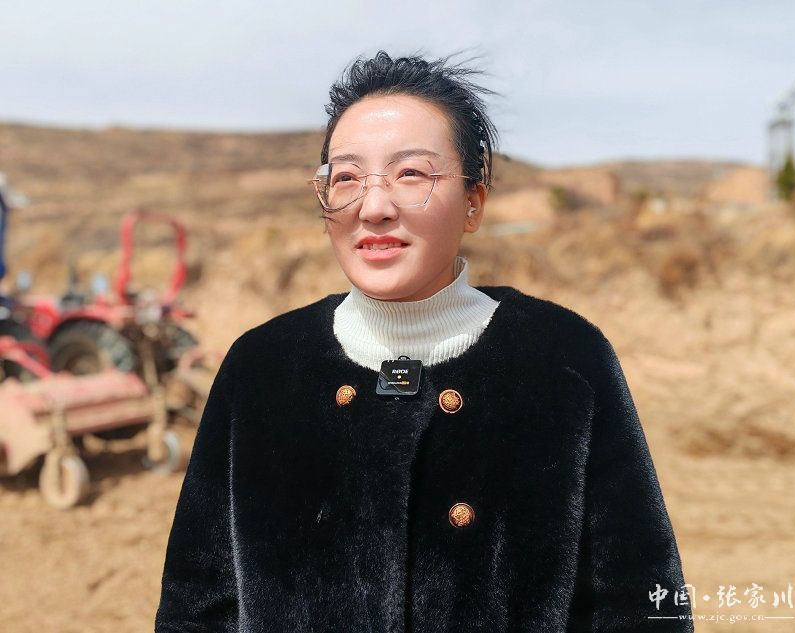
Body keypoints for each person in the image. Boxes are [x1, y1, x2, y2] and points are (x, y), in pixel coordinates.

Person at [155, 51, 693, 632]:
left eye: (411, 174)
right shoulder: (262, 367)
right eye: (346, 178)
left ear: (473, 203)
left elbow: (641, 602)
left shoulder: (563, 359)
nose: (374, 207)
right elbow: (197, 605)